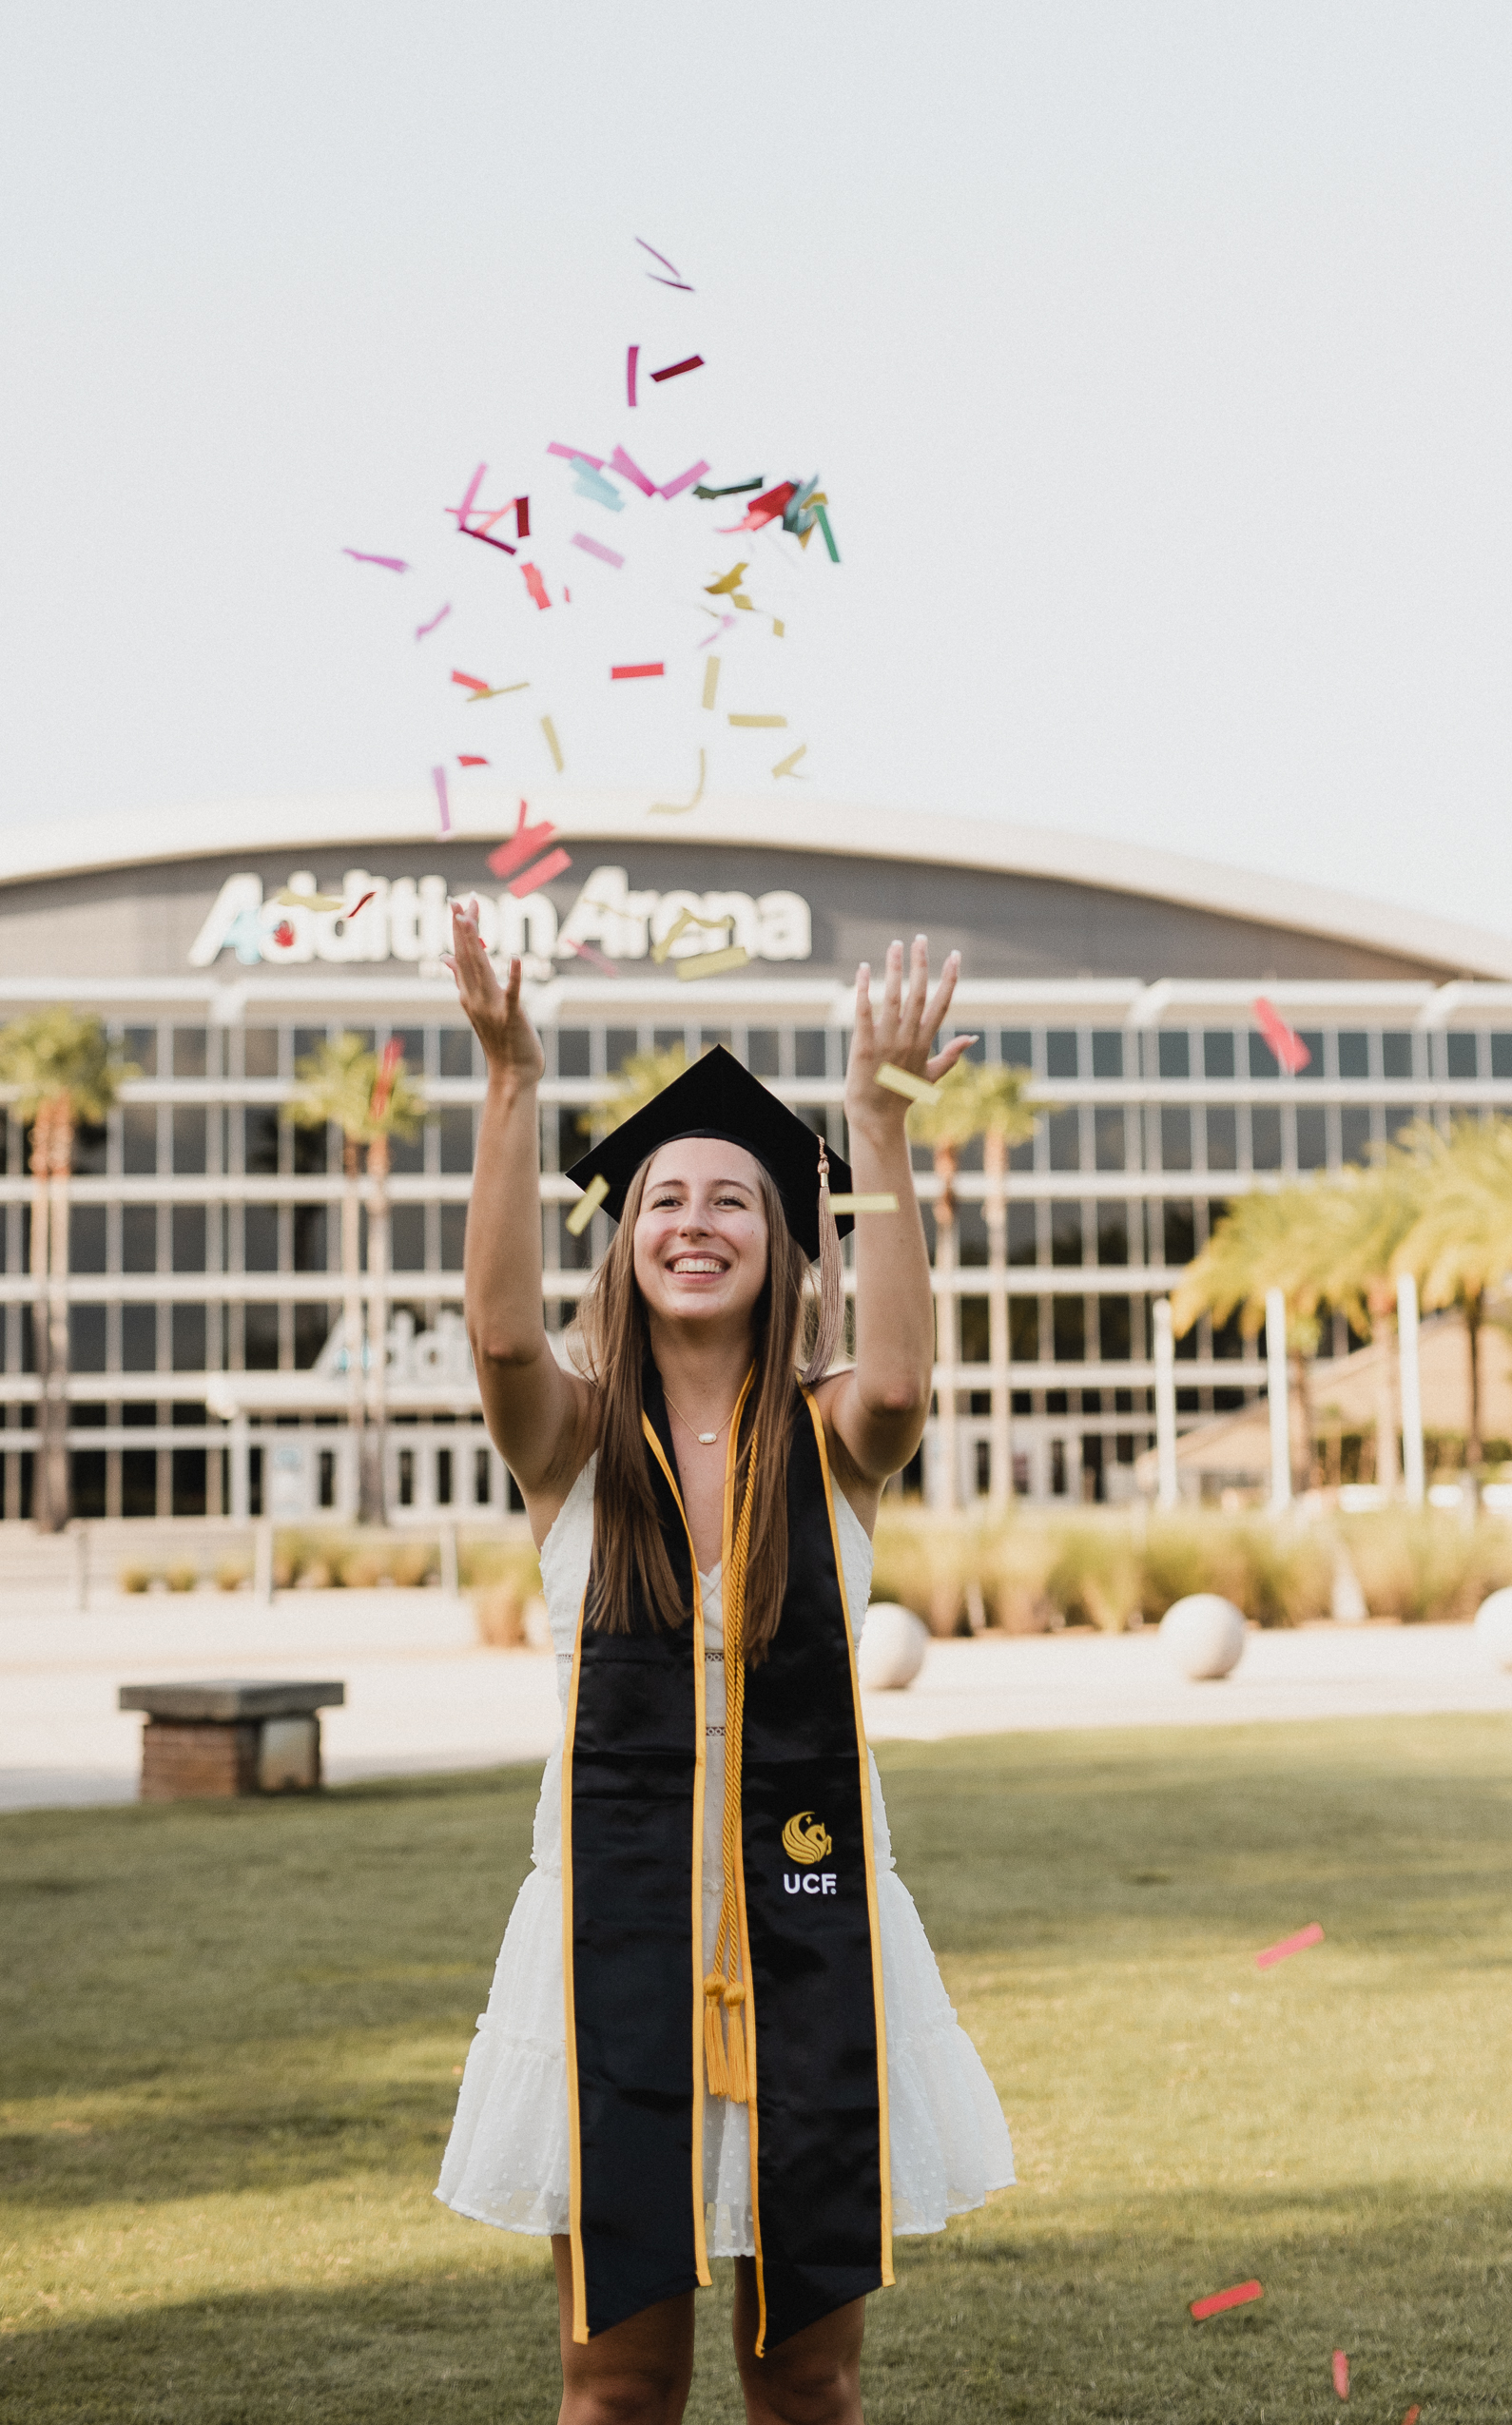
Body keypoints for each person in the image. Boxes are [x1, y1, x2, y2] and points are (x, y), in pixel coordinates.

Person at [436, 904, 1013, 2425]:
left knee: (806, 2380)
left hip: (811, 1945)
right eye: (665, 1199)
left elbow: (898, 1374)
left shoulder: (832, 1439)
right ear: (624, 1235)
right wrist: (509, 1085)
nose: (694, 1221)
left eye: (735, 1202)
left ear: (782, 1243)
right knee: (613, 2383)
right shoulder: (569, 1443)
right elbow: (501, 1340)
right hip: (606, 1946)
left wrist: (873, 1125)